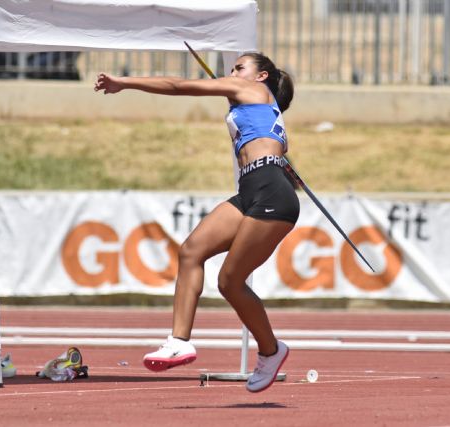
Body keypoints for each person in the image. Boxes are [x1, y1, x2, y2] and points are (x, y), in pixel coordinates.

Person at [94, 52, 298, 393]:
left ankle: (271, 350)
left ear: (261, 76)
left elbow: (178, 85)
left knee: (230, 281)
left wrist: (124, 82)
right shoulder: (259, 104)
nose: (232, 73)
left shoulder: (249, 90)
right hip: (251, 188)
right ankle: (179, 340)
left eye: (240, 67)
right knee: (191, 251)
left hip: (271, 194)